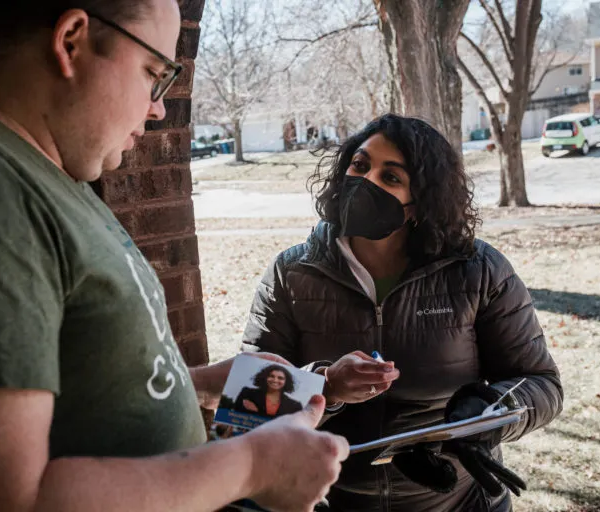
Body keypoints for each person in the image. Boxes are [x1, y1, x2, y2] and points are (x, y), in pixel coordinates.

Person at [0, 1, 349, 511]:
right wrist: (253, 465)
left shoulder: (43, 169)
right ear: (71, 39)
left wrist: (201, 385)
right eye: (154, 73)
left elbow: (63, 387)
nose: (157, 107)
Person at [242, 114, 564, 511]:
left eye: (390, 178)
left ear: (419, 205)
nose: (365, 182)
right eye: (359, 166)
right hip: (330, 500)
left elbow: (541, 383)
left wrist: (486, 416)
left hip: (459, 501)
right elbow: (250, 406)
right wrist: (327, 386)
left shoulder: (479, 270)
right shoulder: (291, 273)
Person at [234, 364, 303, 417]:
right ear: (265, 377)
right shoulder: (247, 393)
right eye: (271, 376)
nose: (275, 380)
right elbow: (235, 414)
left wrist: (257, 412)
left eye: (280, 378)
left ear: (286, 382)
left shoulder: (295, 406)